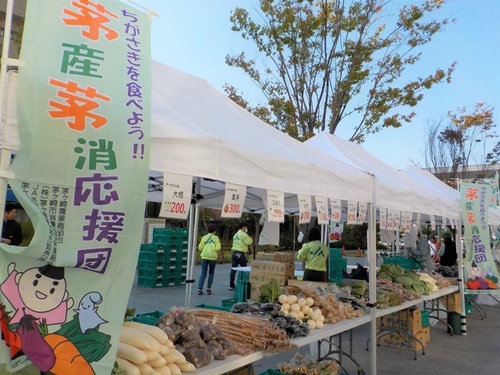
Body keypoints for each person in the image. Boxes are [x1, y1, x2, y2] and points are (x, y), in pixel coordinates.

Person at [197, 224, 221, 295]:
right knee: (211, 273)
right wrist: (220, 256)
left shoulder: (204, 237)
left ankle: (200, 288)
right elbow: (218, 248)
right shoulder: (216, 238)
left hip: (204, 257)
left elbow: (200, 248)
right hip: (213, 257)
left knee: (203, 273)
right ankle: (208, 288)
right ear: (214, 231)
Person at [229, 222, 253, 290]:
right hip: (240, 253)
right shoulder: (244, 235)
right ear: (243, 227)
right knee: (244, 269)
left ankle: (231, 285)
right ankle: (244, 284)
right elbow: (248, 242)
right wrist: (250, 238)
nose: (246, 229)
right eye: (246, 227)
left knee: (233, 269)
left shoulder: (235, 235)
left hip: (234, 253)